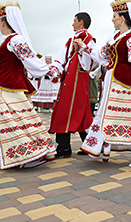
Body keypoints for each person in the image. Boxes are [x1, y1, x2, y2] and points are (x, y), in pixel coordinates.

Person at [0, 2, 55, 170]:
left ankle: (27, 153)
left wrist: (48, 69)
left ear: (4, 23)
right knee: (3, 121)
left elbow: (30, 60)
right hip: (1, 86)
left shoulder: (16, 40)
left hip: (9, 86)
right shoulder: (2, 41)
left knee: (15, 121)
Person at [77, 0, 131, 166]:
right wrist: (84, 47)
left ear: (122, 18)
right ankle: (104, 148)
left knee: (126, 116)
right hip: (111, 79)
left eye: (115, 16)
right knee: (106, 114)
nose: (112, 19)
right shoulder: (115, 37)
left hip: (123, 81)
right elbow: (101, 55)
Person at [49, 12, 96, 158]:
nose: (72, 24)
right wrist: (55, 68)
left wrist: (81, 50)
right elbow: (62, 58)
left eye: (74, 21)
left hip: (78, 80)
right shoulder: (71, 40)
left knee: (72, 111)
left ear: (81, 22)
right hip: (68, 80)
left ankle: (65, 147)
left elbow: (90, 63)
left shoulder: (89, 39)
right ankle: (89, 145)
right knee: (78, 112)